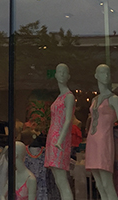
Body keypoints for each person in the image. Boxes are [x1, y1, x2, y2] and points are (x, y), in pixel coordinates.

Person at [85, 64, 118, 200]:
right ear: (96, 76)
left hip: (104, 141)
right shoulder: (94, 100)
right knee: (99, 184)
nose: (106, 76)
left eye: (108, 73)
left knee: (107, 183)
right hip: (92, 142)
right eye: (103, 73)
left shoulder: (114, 99)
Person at [44, 63, 75, 200]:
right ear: (55, 75)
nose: (62, 74)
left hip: (60, 140)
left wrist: (60, 141)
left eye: (64, 72)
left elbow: (68, 120)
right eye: (59, 72)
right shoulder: (59, 97)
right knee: (57, 178)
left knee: (62, 179)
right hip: (53, 137)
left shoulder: (69, 96)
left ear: (68, 76)